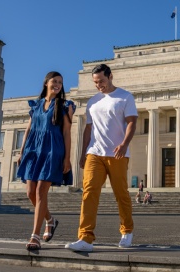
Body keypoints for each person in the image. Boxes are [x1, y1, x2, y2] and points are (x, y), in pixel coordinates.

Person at [66, 64, 138, 252]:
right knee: (89, 192)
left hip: (117, 153)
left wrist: (124, 144)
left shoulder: (125, 97)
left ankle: (127, 230)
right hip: (94, 152)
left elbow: (132, 123)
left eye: (102, 81)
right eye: (96, 82)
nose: (99, 85)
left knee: (120, 193)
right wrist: (83, 153)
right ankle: (85, 238)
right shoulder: (93, 102)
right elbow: (88, 129)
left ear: (110, 76)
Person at [17, 71, 75, 251]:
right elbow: (28, 129)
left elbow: (66, 133)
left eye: (60, 82)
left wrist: (67, 158)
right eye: (54, 81)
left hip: (52, 150)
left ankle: (35, 236)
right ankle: (50, 220)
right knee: (30, 193)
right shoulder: (36, 105)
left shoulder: (65, 106)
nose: (57, 84)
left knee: (42, 191)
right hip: (33, 150)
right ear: (46, 83)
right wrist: (22, 151)